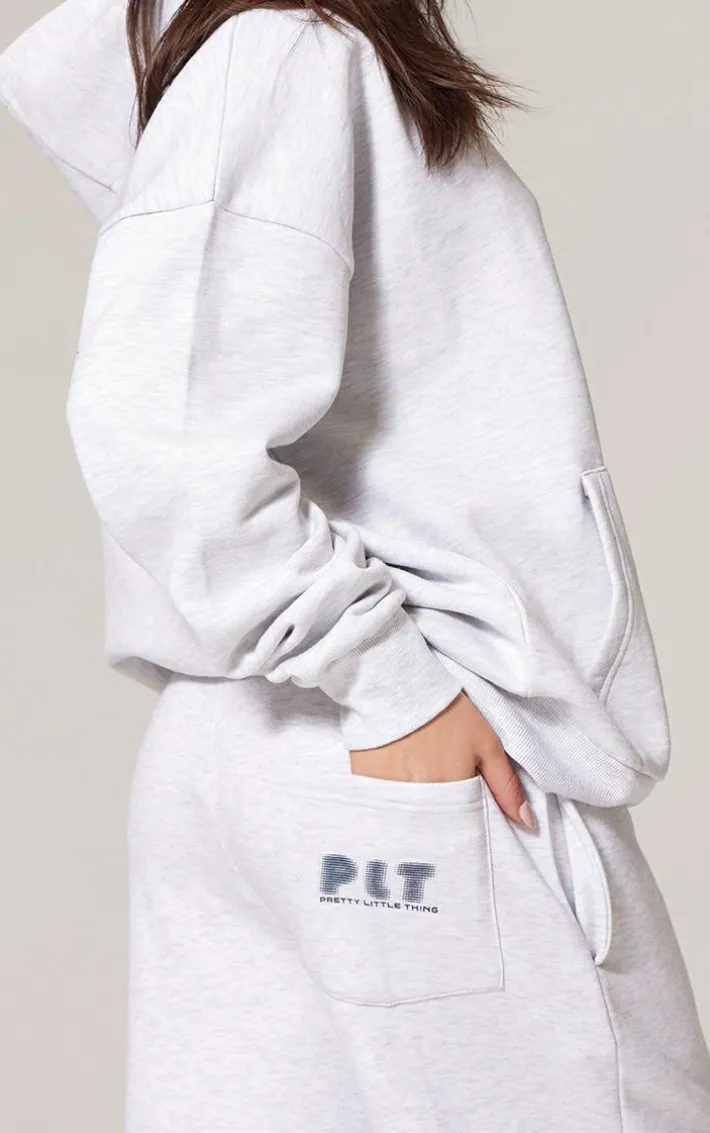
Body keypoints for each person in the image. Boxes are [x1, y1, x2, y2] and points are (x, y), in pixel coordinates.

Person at [1, 0, 709, 1129]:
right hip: (395, 747)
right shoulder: (285, 54)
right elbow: (159, 430)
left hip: (258, 745)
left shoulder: (250, 66)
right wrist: (396, 687)